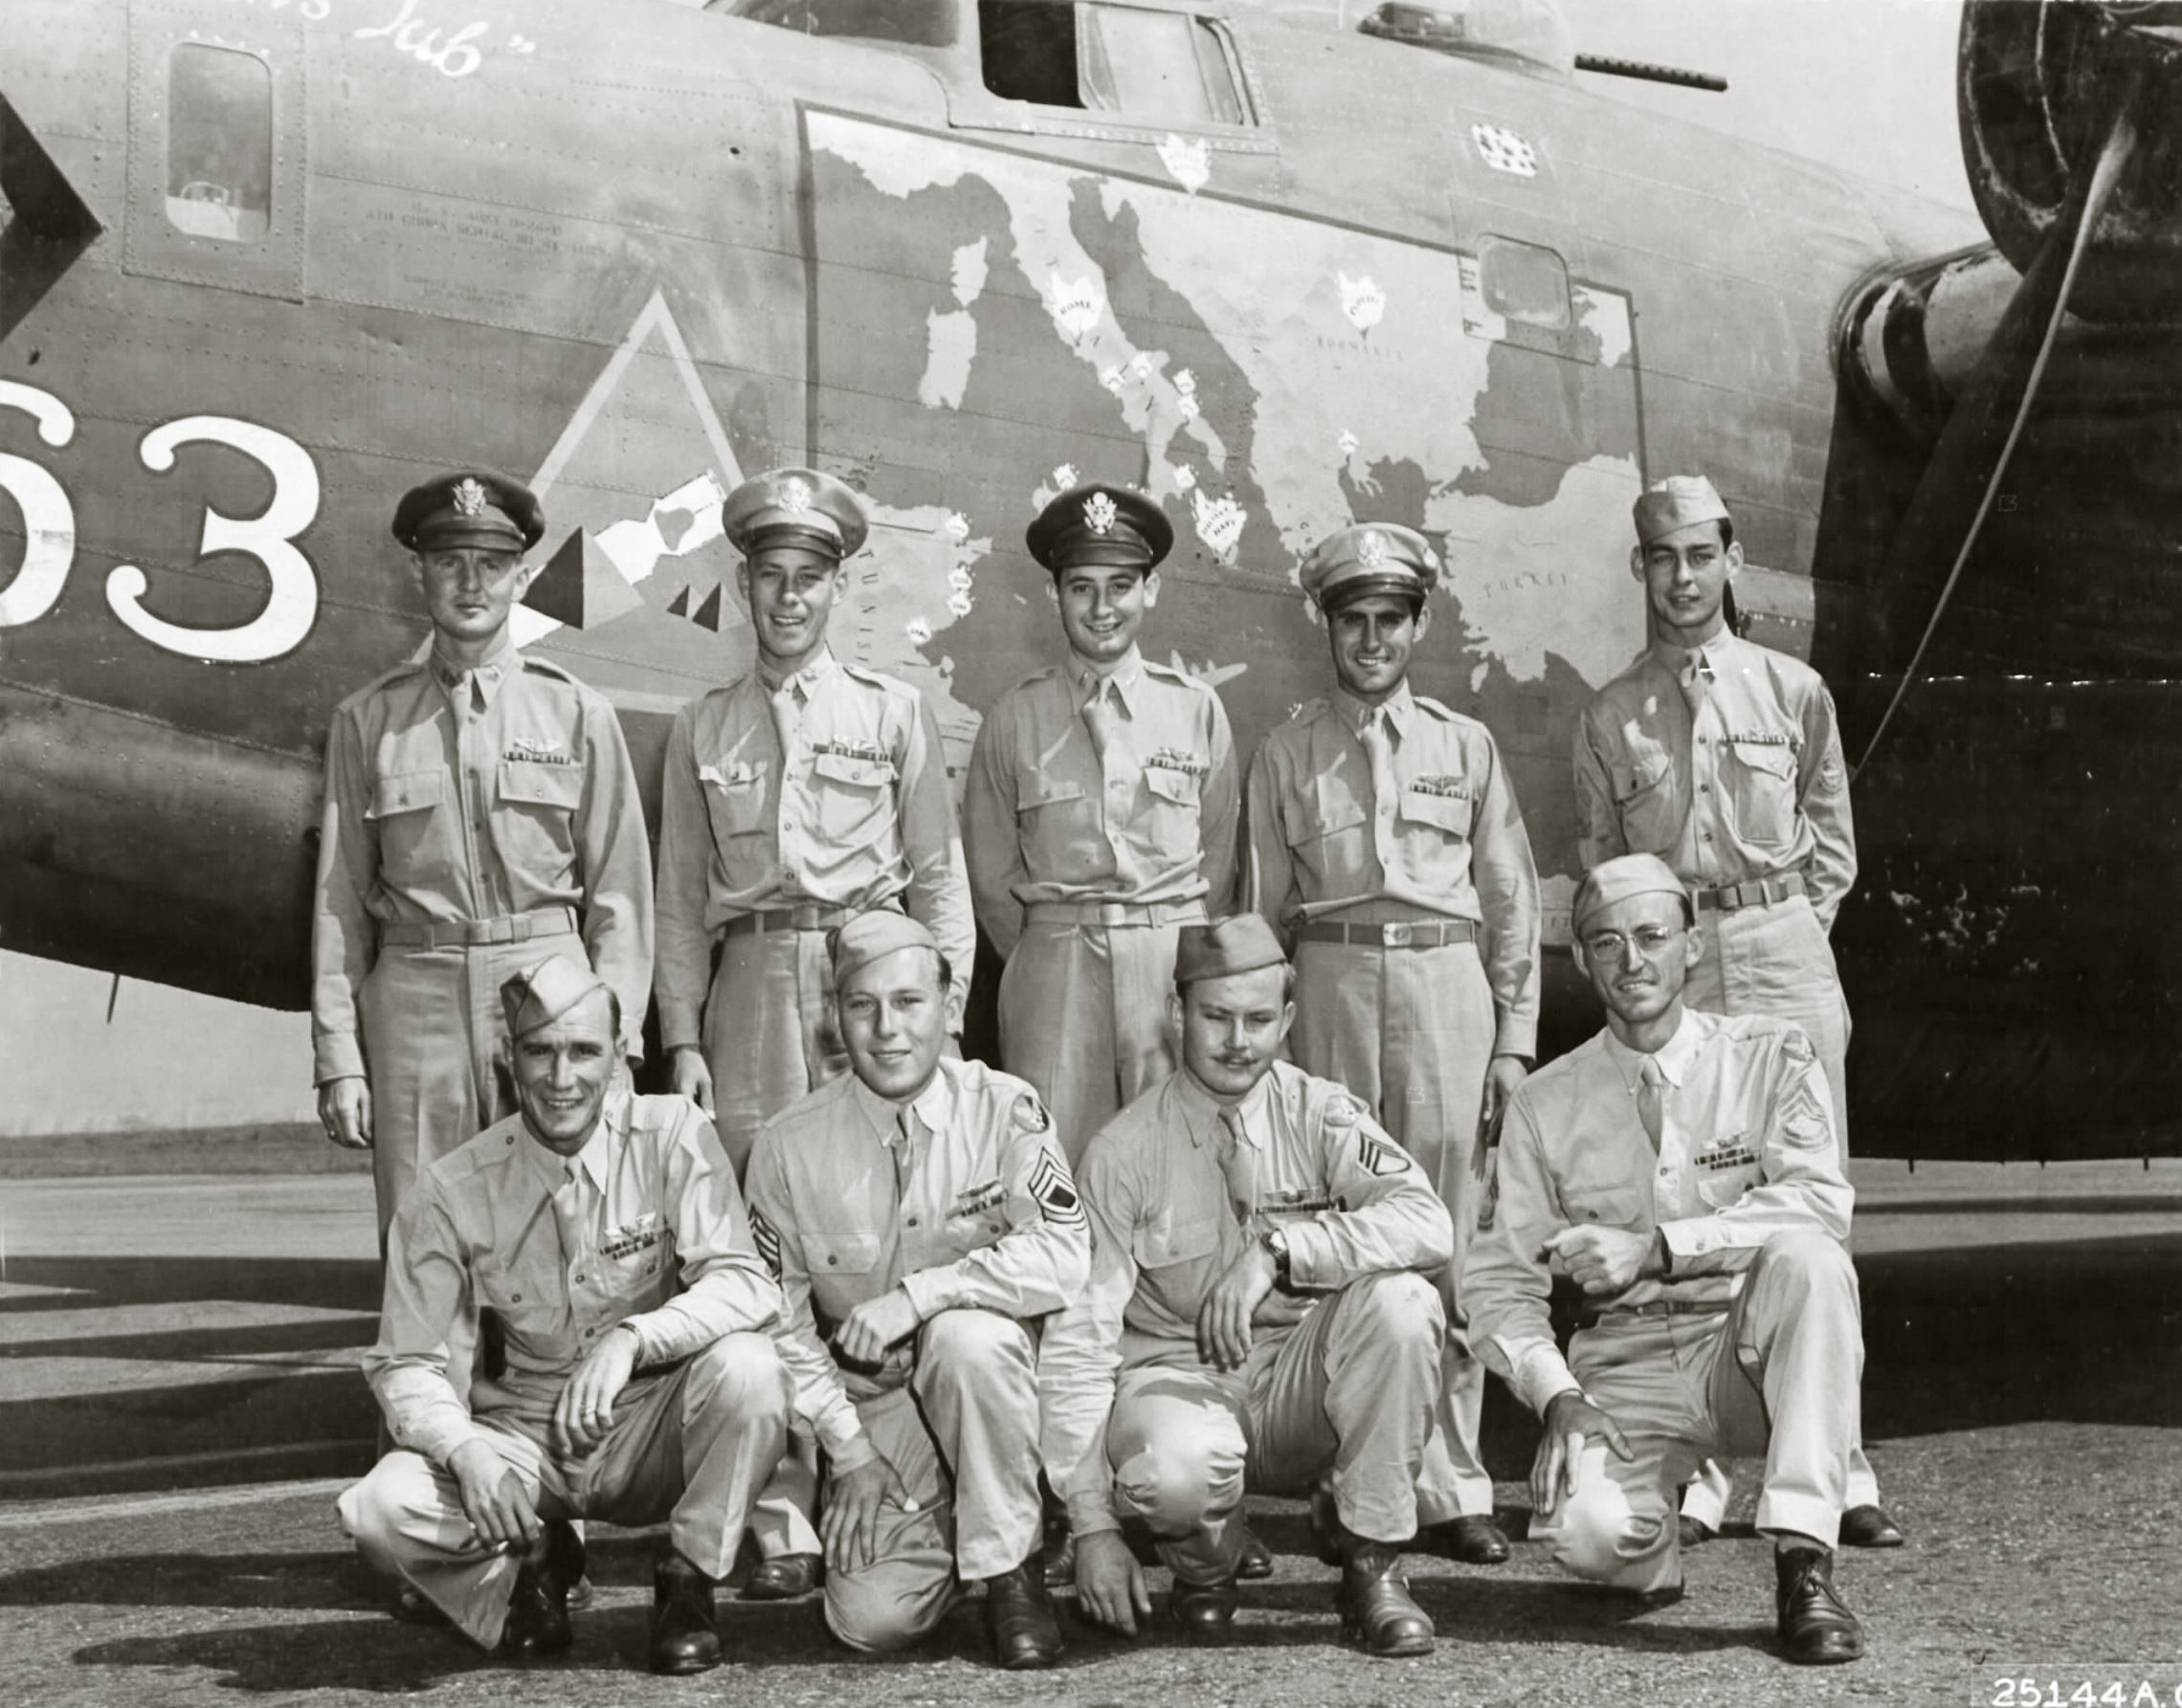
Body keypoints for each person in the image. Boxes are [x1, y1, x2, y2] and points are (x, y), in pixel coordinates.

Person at [653, 465, 976, 1595]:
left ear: (839, 589)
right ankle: (783, 1493)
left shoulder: (892, 714)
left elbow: (940, 880)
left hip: (868, 982)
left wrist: (946, 1022)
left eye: (809, 578)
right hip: (751, 989)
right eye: (770, 576)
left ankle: (894, 1466)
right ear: (743, 585)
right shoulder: (702, 727)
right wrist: (683, 1040)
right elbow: (678, 902)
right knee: (761, 1241)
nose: (789, 597)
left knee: (886, 1223)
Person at [1572, 474, 1899, 1550]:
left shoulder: (1794, 690)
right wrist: (1673, 949)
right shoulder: (1610, 714)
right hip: (1680, 962)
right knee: (1693, 1184)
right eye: (1663, 559)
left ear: (1733, 561)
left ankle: (1842, 1464)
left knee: (1814, 1197)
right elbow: (1601, 866)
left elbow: (1833, 848)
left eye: (1702, 556)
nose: (1683, 578)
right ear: (1641, 568)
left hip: (1783, 947)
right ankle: (1704, 1468)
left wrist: (1784, 931)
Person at [1464, 854, 1871, 1666]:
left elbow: (1820, 1200)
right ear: (1582, 961)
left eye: (1652, 936)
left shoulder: (1771, 1055)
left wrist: (1656, 1248)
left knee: (1812, 1262)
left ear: (1692, 944)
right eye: (1606, 942)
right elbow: (1499, 1286)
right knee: (1589, 1538)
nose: (1632, 961)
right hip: (1629, 1362)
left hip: (1746, 1354)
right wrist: (1557, 1396)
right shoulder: (1545, 1103)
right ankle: (1659, 1507)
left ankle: (1804, 1563)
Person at [336, 957, 793, 1675]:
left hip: (649, 1425)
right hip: (529, 1440)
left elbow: (745, 1281)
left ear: (619, 1054)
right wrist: (466, 1452)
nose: (561, 1077)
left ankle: (688, 1579)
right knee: (378, 1509)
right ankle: (533, 1563)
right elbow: (405, 1362)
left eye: (583, 1051)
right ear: (508, 1057)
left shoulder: (672, 1132)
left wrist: (633, 1338)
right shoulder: (451, 1190)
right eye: (539, 1051)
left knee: (754, 1371)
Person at [1239, 521, 1539, 1564]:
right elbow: (1259, 913)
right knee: (1334, 1224)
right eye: (1352, 620)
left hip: (1445, 992)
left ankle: (1451, 1481)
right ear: (1326, 627)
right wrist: (1262, 1056)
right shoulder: (1286, 753)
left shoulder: (1466, 747)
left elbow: (1510, 900)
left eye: (1390, 620)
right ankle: (1347, 1474)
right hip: (1330, 988)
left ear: (1419, 626)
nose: (1371, 640)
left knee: (1445, 1228)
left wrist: (1513, 1040)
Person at [1041, 914, 1457, 1656]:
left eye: (1259, 1020)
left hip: (1302, 1384)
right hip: (1181, 1375)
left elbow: (1429, 1222)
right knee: (1175, 1476)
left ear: (1287, 1021)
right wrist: (1093, 1524)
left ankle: (1373, 1561)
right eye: (1216, 1017)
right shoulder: (1122, 1150)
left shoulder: (1321, 1112)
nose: (1238, 1040)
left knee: (1404, 1304)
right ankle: (1207, 1561)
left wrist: (1282, 1248)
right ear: (1175, 1015)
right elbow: (1079, 1339)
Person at [312, 471, 653, 1249]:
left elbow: (621, 897)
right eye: (449, 562)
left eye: (492, 565)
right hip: (416, 1002)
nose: (471, 583)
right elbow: (339, 904)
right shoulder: (367, 722)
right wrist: (339, 1057)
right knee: (424, 1245)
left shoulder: (577, 712)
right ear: (418, 572)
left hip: (549, 993)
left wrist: (616, 1044)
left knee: (568, 1245)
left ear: (521, 578)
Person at [745, 911, 1089, 1667]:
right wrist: (850, 1451)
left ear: (949, 1004)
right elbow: (779, 1325)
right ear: (834, 1015)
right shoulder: (786, 1147)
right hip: (878, 1410)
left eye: (908, 1002)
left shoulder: (1005, 1108)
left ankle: (1012, 1571)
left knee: (967, 1336)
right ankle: (962, 1523)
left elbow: (1066, 1252)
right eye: (862, 1005)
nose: (886, 1029)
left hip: (994, 1388)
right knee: (871, 1622)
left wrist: (924, 1293)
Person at [964, 480, 1238, 1166]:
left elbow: (1219, 858)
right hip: (1056, 973)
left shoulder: (1196, 712)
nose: (1101, 607)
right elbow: (992, 877)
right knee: (1052, 1166)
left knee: (1175, 1165)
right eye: (1081, 587)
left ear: (1152, 589)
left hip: (1167, 970)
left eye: (1121, 586)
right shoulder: (1015, 718)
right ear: (1053, 593)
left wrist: (1164, 942)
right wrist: (1051, 944)